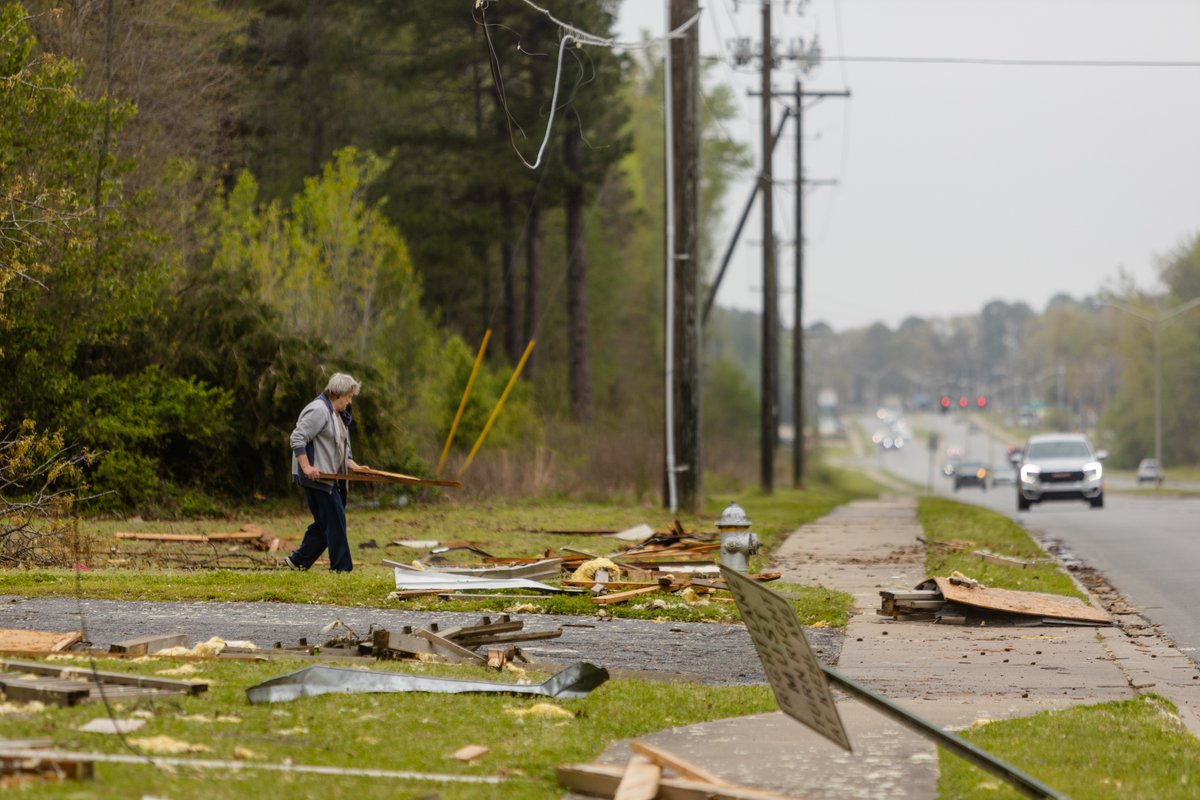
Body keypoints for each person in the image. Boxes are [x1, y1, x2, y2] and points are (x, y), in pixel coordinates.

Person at [285, 373, 369, 573]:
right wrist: (306, 467)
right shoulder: (319, 410)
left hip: (330, 479)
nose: (349, 402)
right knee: (336, 522)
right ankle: (341, 569)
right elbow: (297, 438)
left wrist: (353, 465)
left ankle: (298, 561)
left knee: (326, 524)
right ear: (338, 394)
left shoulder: (336, 415)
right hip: (317, 479)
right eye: (348, 397)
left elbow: (339, 445)